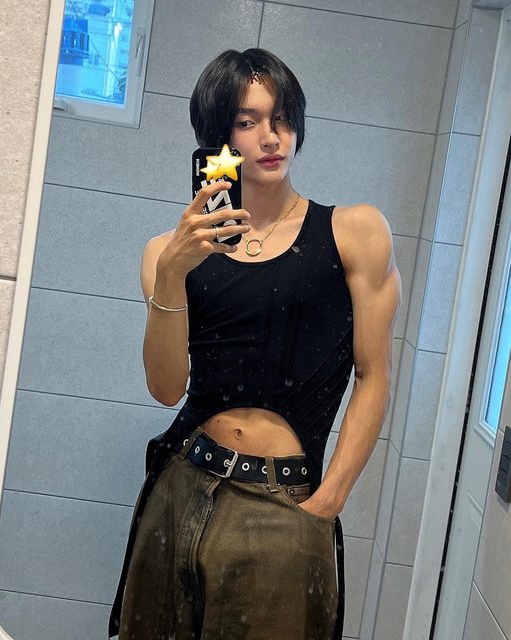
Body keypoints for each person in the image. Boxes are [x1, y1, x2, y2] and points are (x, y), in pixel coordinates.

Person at [108, 48, 401, 640]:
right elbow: (166, 388)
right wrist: (172, 273)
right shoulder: (167, 253)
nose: (272, 137)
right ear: (217, 137)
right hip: (182, 483)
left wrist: (331, 496)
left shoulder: (354, 233)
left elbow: (374, 375)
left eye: (283, 117)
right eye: (248, 121)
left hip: (284, 498)